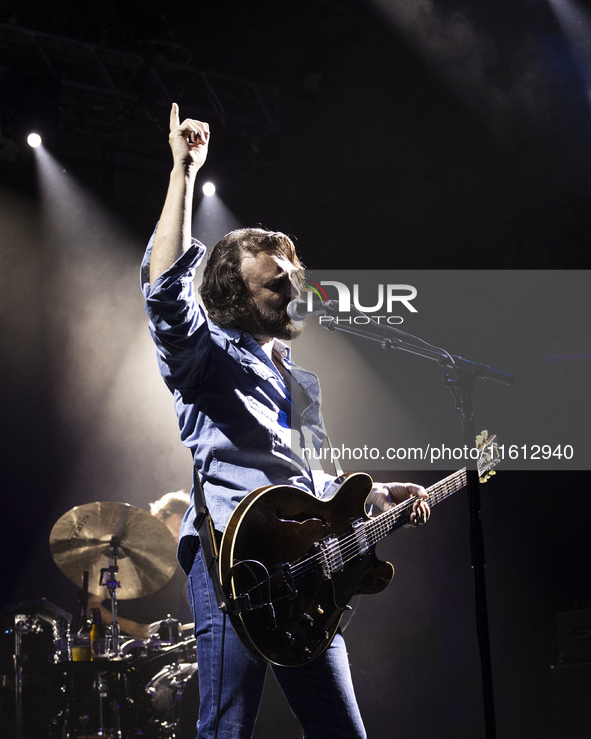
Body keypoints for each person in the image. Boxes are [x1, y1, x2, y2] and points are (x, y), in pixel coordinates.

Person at [141, 103, 431, 739]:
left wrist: (379, 495)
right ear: (234, 295)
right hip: (231, 561)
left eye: (293, 277)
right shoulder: (207, 355)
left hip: (306, 575)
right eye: (275, 283)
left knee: (341, 732)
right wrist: (183, 174)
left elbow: (316, 484)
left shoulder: (300, 384)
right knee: (227, 729)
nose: (293, 288)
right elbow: (164, 294)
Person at [88, 490, 192, 639]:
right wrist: (135, 629)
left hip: (167, 650)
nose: (181, 530)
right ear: (159, 517)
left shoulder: (181, 560)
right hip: (124, 648)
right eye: (180, 521)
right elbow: (91, 605)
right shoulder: (121, 553)